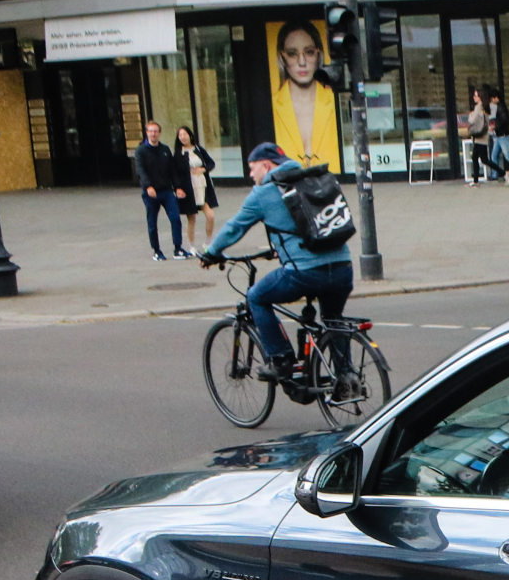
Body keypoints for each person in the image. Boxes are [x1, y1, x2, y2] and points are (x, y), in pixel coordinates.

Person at [200, 143, 353, 384]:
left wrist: (211, 252)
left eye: (252, 169)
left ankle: (281, 359)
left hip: (305, 272)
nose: (251, 175)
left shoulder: (264, 193)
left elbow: (234, 228)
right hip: (344, 267)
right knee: (333, 319)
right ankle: (347, 378)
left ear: (266, 165)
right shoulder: (313, 178)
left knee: (257, 296)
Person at [270, 20, 341, 168]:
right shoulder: (270, 105)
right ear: (282, 57)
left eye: (309, 52)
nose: (302, 62)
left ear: (318, 54)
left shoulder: (335, 101)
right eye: (292, 54)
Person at [134, 120, 189, 262]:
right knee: (152, 222)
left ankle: (178, 248)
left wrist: (177, 187)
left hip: (166, 191)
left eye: (156, 131)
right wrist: (148, 186)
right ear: (146, 133)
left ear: (159, 133)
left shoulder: (165, 149)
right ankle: (157, 250)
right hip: (151, 193)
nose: (153, 134)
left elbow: (172, 170)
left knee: (175, 218)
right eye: (151, 131)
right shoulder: (141, 151)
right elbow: (140, 171)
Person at [175, 126, 218, 247]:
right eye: (180, 135)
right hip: (189, 188)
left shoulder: (198, 149)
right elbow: (175, 172)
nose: (183, 137)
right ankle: (192, 246)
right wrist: (178, 188)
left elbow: (211, 163)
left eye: (185, 134)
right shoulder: (178, 154)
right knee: (191, 218)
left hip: (203, 186)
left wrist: (203, 169)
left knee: (210, 215)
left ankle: (208, 242)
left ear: (190, 135)